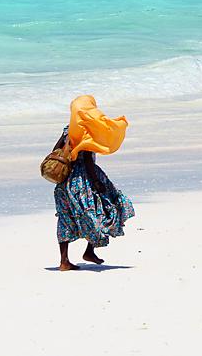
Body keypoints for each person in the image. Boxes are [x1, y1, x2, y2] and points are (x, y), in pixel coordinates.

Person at [52, 95, 135, 271]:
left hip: (65, 181)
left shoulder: (68, 130)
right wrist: (97, 182)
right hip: (83, 180)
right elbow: (89, 161)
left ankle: (64, 261)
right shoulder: (88, 131)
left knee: (66, 218)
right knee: (103, 209)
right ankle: (90, 250)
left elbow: (54, 151)